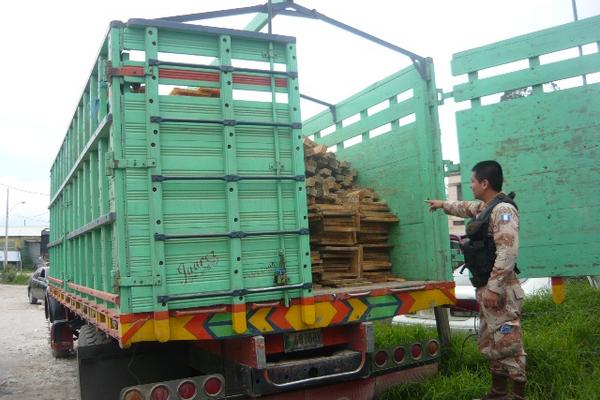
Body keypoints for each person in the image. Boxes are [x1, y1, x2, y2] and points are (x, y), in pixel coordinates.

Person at [426, 160, 526, 400]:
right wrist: (443, 205)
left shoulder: (503, 211)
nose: (470, 185)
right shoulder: (488, 207)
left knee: (508, 343)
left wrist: (493, 288)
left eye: (471, 181)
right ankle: (499, 392)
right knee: (493, 341)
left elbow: (507, 252)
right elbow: (467, 207)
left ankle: (518, 395)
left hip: (500, 290)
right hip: (489, 289)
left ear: (485, 183)